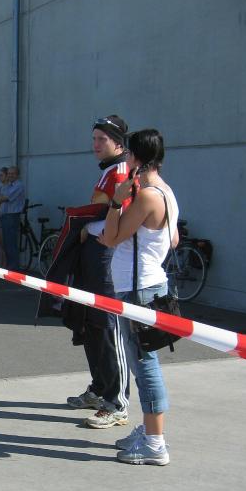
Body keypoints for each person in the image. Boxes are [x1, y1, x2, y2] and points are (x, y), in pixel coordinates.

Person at [99, 128, 178, 465]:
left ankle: (155, 442)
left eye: (128, 153)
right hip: (149, 283)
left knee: (144, 365)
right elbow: (173, 240)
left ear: (135, 157)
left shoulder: (147, 196)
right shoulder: (166, 192)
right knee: (142, 361)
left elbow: (111, 236)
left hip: (138, 289)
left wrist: (117, 202)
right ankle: (148, 432)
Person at [66, 115, 132, 429]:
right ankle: (100, 388)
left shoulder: (121, 171)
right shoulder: (109, 170)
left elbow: (118, 217)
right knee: (91, 322)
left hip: (106, 255)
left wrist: (89, 228)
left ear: (118, 143)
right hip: (93, 254)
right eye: (93, 138)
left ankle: (117, 401)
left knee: (107, 325)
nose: (95, 144)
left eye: (101, 139)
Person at [0, 165, 25, 269]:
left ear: (17, 175)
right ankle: (9, 267)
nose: (10, 175)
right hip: (5, 216)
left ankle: (13, 268)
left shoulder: (18, 186)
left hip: (12, 217)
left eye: (12, 174)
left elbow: (2, 198)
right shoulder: (8, 186)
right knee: (5, 243)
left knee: (10, 243)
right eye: (9, 173)